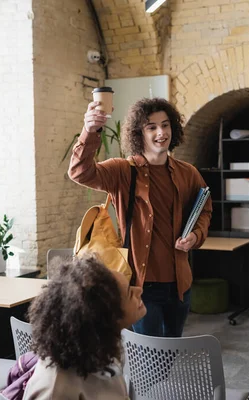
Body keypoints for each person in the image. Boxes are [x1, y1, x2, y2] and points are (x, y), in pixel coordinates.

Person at [68, 97, 212, 337]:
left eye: (165, 125)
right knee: (148, 360)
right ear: (139, 133)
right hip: (140, 288)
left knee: (168, 356)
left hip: (180, 286)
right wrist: (90, 130)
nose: (161, 132)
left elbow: (204, 209)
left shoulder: (188, 173)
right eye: (152, 127)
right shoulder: (123, 171)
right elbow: (80, 172)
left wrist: (196, 235)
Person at [23, 255, 147, 399]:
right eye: (130, 293)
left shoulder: (103, 350)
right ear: (105, 315)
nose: (140, 290)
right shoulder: (55, 389)